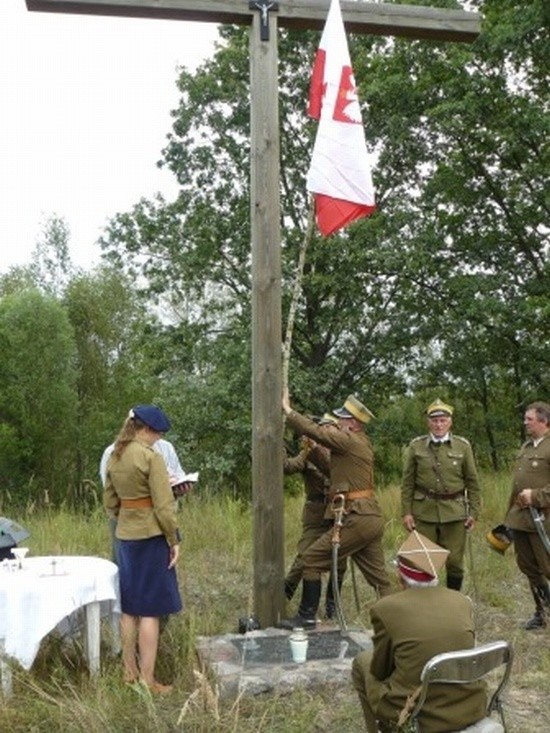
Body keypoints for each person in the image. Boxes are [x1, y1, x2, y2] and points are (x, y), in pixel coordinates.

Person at [351, 531, 486, 733]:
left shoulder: (386, 608)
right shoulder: (461, 601)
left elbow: (380, 670)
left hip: (420, 714)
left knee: (362, 661)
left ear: (400, 576)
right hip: (471, 707)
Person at [280, 393, 392, 629]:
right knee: (380, 579)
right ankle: (399, 623)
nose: (338, 423)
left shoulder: (349, 440)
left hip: (357, 517)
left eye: (342, 419)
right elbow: (332, 471)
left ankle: (307, 617)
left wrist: (289, 411)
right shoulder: (359, 443)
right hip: (369, 518)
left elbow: (318, 432)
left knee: (310, 560)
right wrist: (312, 451)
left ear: (353, 423)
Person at [103, 404, 182, 694]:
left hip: (125, 537)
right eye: (158, 434)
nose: (158, 440)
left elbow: (110, 502)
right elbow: (163, 506)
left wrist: (126, 518)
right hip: (151, 538)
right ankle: (148, 681)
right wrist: (174, 540)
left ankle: (129, 672)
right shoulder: (151, 458)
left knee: (129, 608)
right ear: (146, 429)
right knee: (150, 610)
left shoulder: (115, 455)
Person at [401, 399, 481, 591]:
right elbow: (407, 483)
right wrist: (406, 512)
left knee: (454, 562)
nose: (438, 425)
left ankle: (453, 602)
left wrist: (474, 512)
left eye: (443, 420)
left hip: (455, 513)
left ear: (450, 422)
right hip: (424, 512)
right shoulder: (416, 446)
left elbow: (473, 481)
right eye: (434, 420)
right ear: (428, 422)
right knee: (423, 561)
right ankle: (426, 604)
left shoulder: (463, 446)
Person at [283, 414, 346, 619]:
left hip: (338, 513)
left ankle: (331, 604)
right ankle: (283, 596)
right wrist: (280, 442)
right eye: (323, 429)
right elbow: (289, 467)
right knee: (304, 557)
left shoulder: (343, 454)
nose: (326, 432)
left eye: (331, 428)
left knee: (340, 560)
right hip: (316, 512)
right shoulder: (309, 452)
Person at [101, 435, 196, 564]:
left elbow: (178, 475)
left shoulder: (165, 447)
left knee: (157, 567)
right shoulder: (114, 451)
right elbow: (111, 491)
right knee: (125, 566)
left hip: (160, 520)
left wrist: (179, 488)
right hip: (126, 519)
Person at [504, 400, 550, 630]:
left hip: (545, 519)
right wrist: (507, 518)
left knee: (547, 566)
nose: (525, 423)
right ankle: (542, 614)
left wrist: (537, 496)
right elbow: (516, 487)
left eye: (529, 419)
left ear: (544, 421)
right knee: (529, 567)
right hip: (521, 519)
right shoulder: (526, 447)